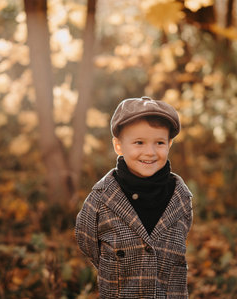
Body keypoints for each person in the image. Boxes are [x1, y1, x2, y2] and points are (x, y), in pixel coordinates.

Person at [75, 96, 193, 298]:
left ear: (169, 144)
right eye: (139, 142)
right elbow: (87, 242)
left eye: (159, 142)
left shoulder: (181, 197)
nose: (150, 152)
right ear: (118, 146)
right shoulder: (101, 199)